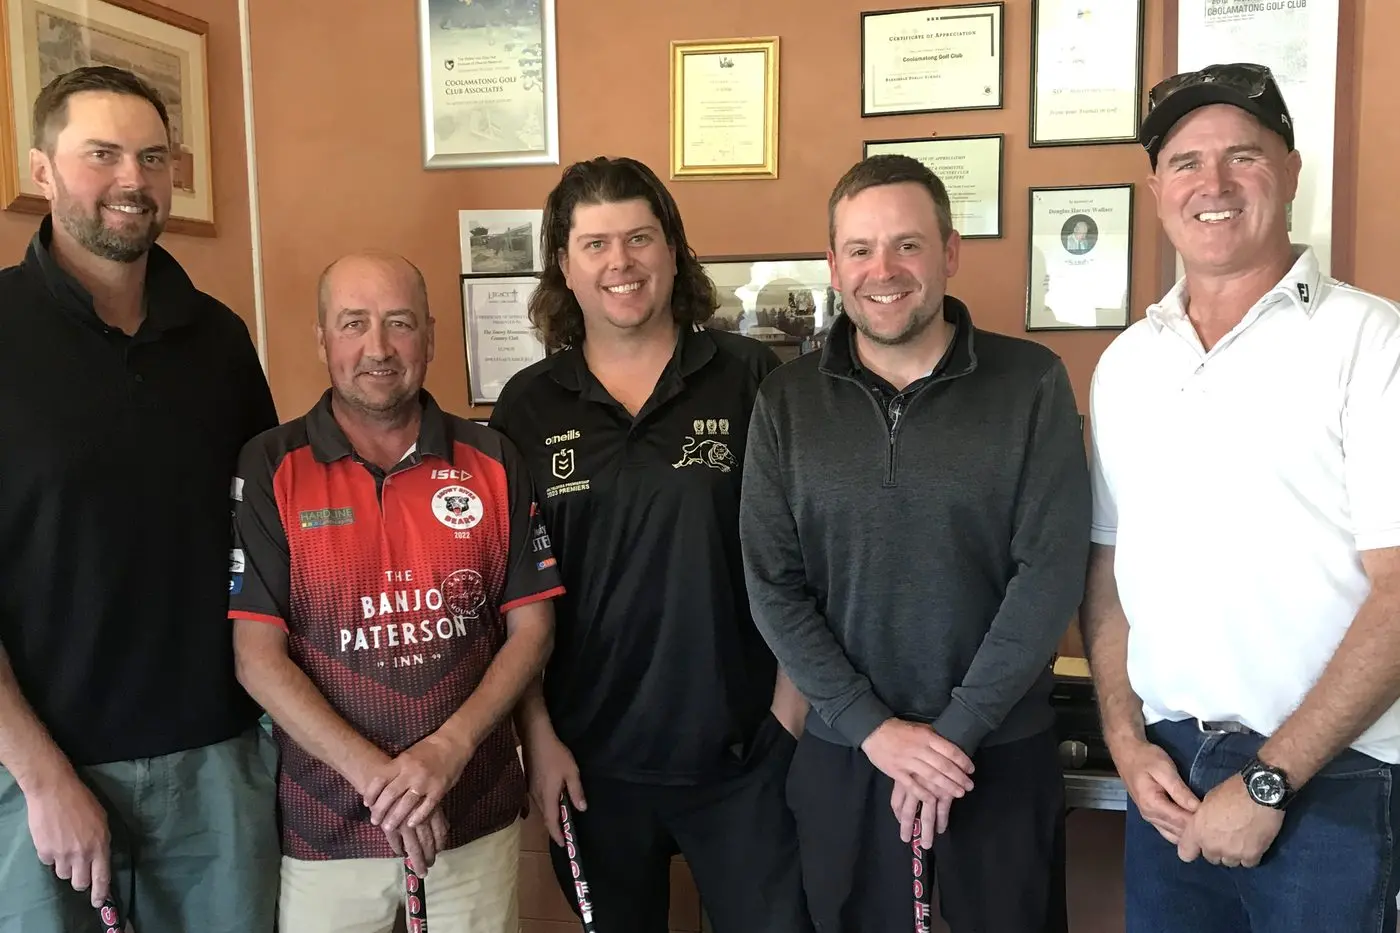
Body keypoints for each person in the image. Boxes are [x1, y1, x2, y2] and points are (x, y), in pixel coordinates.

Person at [1082, 62, 1400, 933]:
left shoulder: (1370, 341)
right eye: (1185, 162)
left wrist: (1270, 778)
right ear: (1156, 191)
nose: (1212, 184)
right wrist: (1125, 738)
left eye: (1243, 156)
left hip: (1332, 779)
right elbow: (1107, 568)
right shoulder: (1127, 365)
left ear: (1292, 172)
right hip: (1169, 774)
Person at [740, 153, 1090, 933]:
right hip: (847, 758)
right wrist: (874, 728)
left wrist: (951, 735)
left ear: (950, 252)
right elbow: (773, 583)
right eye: (859, 249)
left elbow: (1050, 572)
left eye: (907, 244)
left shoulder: (1032, 382)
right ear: (833, 266)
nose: (883, 269)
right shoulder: (785, 401)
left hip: (995, 756)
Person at [488, 156, 812, 933]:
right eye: (594, 243)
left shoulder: (750, 377)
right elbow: (512, 593)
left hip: (744, 757)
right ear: (563, 265)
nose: (620, 262)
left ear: (672, 248)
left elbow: (806, 554)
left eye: (638, 237)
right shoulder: (527, 406)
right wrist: (538, 738)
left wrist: (786, 722)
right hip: (589, 765)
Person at [0, 66, 280, 931]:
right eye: (102, 154)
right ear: (43, 170)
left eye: (151, 156)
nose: (132, 178)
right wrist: (42, 777)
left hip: (219, 766)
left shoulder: (221, 338)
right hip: (41, 778)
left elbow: (266, 543)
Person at [229, 251, 563, 933]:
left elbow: (533, 630)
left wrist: (446, 752)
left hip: (472, 814)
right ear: (323, 338)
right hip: (329, 830)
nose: (377, 348)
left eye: (399, 323)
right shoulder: (271, 465)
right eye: (353, 323)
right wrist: (386, 783)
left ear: (430, 336)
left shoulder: (494, 457)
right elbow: (256, 657)